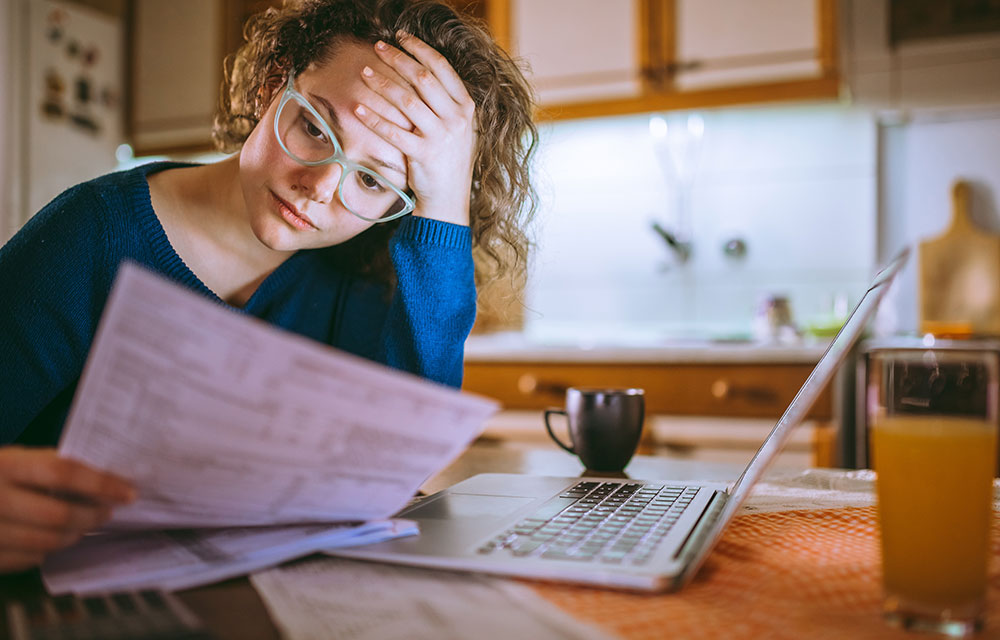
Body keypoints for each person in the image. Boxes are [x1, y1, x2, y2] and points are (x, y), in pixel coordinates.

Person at [0, 0, 537, 572]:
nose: (319, 188)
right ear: (271, 86)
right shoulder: (92, 233)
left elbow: (398, 466)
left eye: (374, 179)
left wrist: (447, 203)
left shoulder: (364, 270)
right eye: (313, 126)